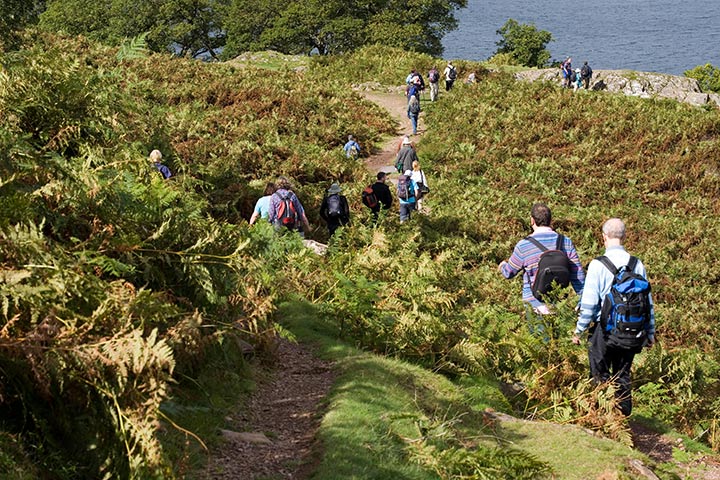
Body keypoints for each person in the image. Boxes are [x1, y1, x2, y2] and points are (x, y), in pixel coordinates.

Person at [572, 218, 655, 416]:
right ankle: (623, 418)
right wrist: (650, 332)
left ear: (603, 237)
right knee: (623, 375)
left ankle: (602, 418)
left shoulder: (598, 265)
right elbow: (647, 302)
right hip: (633, 330)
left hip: (604, 330)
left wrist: (579, 330)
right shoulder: (637, 264)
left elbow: (590, 304)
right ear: (625, 236)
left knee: (599, 374)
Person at [498, 203, 585, 327]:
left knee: (538, 344)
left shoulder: (523, 245)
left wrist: (502, 266)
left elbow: (509, 273)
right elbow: (578, 276)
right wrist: (583, 301)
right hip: (559, 306)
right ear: (551, 220)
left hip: (534, 307)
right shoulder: (565, 242)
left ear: (532, 220)